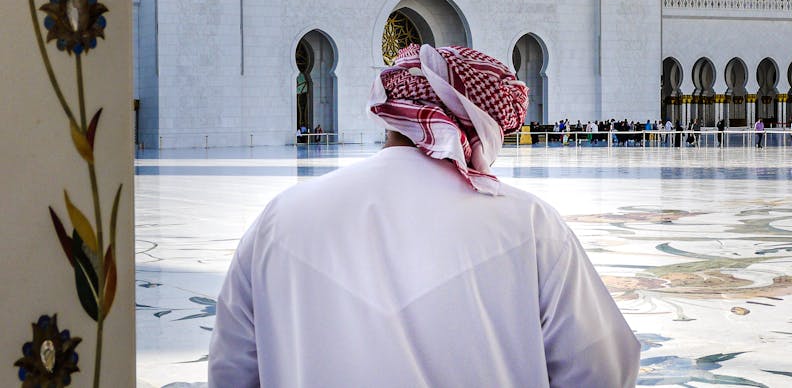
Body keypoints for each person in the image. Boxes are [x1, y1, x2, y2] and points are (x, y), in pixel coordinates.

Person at [208, 44, 640, 387]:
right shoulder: (531, 226)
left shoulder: (280, 220)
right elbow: (602, 369)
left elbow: (231, 372)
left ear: (391, 110)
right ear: (482, 124)